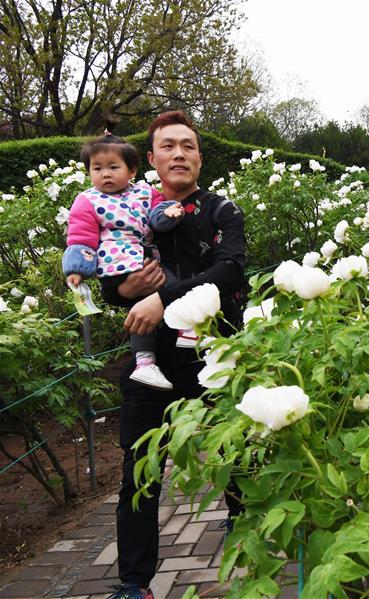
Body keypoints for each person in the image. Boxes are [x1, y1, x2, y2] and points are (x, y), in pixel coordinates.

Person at [99, 111, 247, 599]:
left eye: (188, 145)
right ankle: (133, 582)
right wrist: (123, 289)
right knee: (138, 474)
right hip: (151, 365)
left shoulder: (222, 211)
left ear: (200, 158)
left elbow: (230, 271)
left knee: (236, 452)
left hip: (216, 357)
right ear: (153, 158)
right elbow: (112, 286)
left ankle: (244, 523)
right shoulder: (132, 211)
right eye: (168, 146)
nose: (179, 153)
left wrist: (163, 297)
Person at [63, 132, 189, 391]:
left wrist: (169, 212)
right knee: (144, 306)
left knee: (174, 287)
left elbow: (156, 217)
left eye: (113, 167)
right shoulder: (87, 200)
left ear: (132, 171)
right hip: (115, 264)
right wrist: (77, 270)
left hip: (144, 260)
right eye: (97, 168)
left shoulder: (145, 192)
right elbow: (81, 237)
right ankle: (144, 363)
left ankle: (186, 330)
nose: (105, 174)